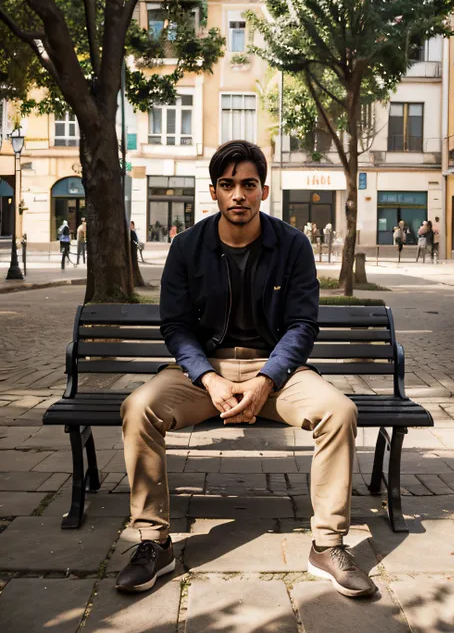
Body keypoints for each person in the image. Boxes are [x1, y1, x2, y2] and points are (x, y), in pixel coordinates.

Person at [116, 140, 377, 599]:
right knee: (139, 407)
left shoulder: (292, 245)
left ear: (264, 191)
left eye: (248, 185)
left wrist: (266, 380)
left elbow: (302, 324)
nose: (239, 194)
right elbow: (175, 325)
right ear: (214, 192)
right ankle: (154, 542)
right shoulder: (186, 247)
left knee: (338, 410)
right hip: (204, 371)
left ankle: (328, 545)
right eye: (228, 184)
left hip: (275, 372)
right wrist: (208, 377)